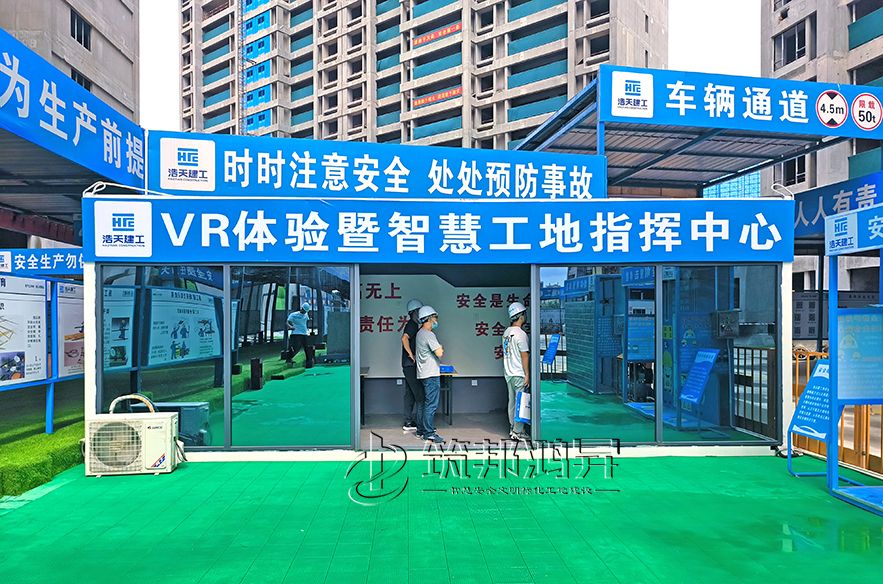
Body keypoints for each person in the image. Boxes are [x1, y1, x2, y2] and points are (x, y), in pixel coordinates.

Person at [415, 305, 444, 443]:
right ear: (429, 319)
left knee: (424, 403)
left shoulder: (419, 333)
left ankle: (421, 430)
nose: (436, 320)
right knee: (431, 404)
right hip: (431, 374)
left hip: (422, 374)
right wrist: (441, 348)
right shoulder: (429, 334)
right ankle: (429, 433)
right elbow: (439, 353)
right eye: (434, 318)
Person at [503, 302, 530, 441]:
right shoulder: (521, 334)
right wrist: (527, 374)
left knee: (512, 402)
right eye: (524, 314)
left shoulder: (507, 333)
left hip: (508, 373)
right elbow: (524, 355)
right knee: (521, 402)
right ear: (520, 316)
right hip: (519, 373)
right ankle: (518, 432)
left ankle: (513, 427)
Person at [401, 298, 426, 435]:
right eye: (419, 311)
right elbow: (404, 338)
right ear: (414, 312)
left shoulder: (414, 325)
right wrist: (411, 354)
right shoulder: (412, 324)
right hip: (410, 366)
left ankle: (408, 422)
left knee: (410, 393)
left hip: (408, 366)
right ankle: (422, 424)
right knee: (419, 394)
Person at [285, 301, 313, 367]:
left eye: (305, 311)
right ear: (301, 308)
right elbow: (287, 322)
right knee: (296, 348)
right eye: (304, 310)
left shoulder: (306, 315)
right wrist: (290, 326)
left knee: (307, 348)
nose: (304, 312)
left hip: (304, 333)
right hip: (296, 333)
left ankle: (309, 362)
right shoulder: (293, 315)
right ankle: (289, 358)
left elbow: (306, 321)